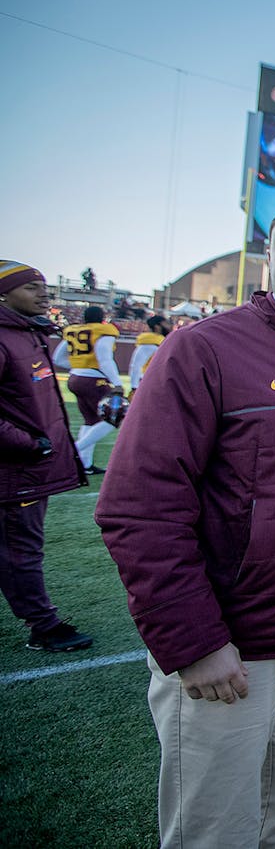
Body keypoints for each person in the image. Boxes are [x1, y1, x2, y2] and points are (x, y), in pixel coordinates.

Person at [95, 201, 275, 849]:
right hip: (231, 649)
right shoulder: (203, 348)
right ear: (269, 258)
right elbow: (139, 505)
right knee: (214, 831)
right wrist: (193, 639)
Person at [0, 261, 93, 652]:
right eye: (30, 287)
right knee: (21, 548)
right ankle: (43, 625)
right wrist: (28, 443)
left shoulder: (28, 333)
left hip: (26, 465)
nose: (42, 293)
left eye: (42, 285)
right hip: (15, 468)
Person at [53, 305, 123, 474]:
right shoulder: (104, 331)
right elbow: (104, 358)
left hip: (75, 378)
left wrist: (80, 367)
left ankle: (85, 465)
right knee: (115, 418)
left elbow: (57, 358)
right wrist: (117, 382)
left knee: (90, 420)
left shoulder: (74, 330)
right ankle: (74, 451)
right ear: (103, 317)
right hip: (94, 380)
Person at [128, 313, 172, 393]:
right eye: (166, 324)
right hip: (149, 382)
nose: (169, 327)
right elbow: (136, 365)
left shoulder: (160, 341)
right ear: (157, 327)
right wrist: (134, 387)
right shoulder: (150, 343)